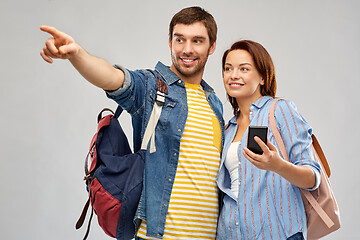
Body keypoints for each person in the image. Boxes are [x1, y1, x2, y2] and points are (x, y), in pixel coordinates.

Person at [40, 6, 224, 240]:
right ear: (170, 42)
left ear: (212, 46)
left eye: (197, 41)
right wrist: (77, 54)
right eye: (180, 40)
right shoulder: (152, 86)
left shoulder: (214, 103)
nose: (187, 49)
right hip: (158, 235)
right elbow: (114, 78)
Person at [216, 40, 321, 240]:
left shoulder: (280, 110)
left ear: (262, 77)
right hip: (230, 233)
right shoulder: (227, 129)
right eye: (228, 69)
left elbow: (313, 177)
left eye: (244, 69)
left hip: (277, 233)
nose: (233, 75)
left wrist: (278, 165)